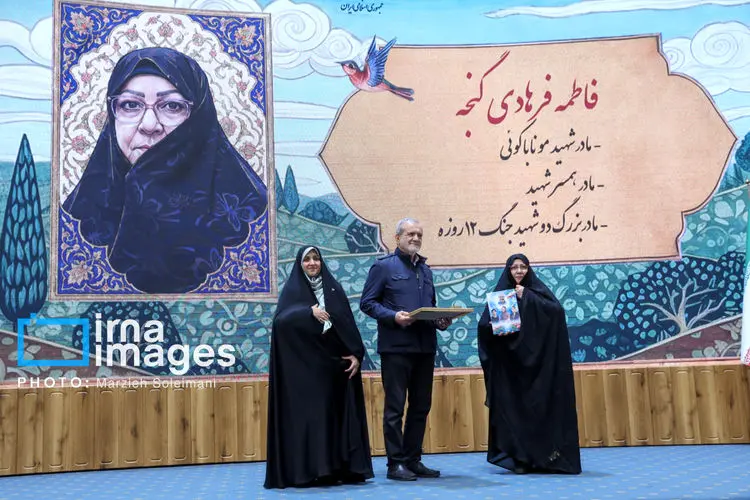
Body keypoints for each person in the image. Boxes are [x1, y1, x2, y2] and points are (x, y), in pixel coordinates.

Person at [63, 47, 267, 293]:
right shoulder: (78, 217)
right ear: (112, 114)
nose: (150, 125)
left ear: (199, 116)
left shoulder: (251, 216)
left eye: (172, 106)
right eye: (130, 105)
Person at [265, 246, 374, 489]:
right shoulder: (293, 291)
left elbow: (347, 324)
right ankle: (312, 471)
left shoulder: (334, 289)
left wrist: (356, 355)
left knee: (332, 418)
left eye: (316, 258)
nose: (312, 263)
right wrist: (308, 312)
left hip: (333, 368)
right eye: (307, 259)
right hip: (304, 370)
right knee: (313, 419)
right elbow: (281, 323)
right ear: (300, 264)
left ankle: (334, 470)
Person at [360, 218, 451, 481]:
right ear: (397, 237)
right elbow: (367, 303)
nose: (415, 238)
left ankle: (413, 459)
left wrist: (440, 321)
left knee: (421, 406)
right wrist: (393, 316)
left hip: (425, 348)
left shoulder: (426, 270)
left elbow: (429, 307)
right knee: (395, 408)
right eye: (410, 234)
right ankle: (395, 464)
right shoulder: (383, 267)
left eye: (419, 234)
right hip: (396, 349)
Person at [477, 254, 582, 475]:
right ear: (508, 270)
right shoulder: (500, 294)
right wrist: (496, 322)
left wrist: (527, 297)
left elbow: (556, 312)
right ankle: (520, 459)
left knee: (539, 413)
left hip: (539, 369)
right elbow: (483, 327)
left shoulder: (536, 291)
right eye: (514, 267)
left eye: (523, 267)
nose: (519, 271)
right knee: (513, 415)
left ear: (528, 269)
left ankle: (545, 459)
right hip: (510, 369)